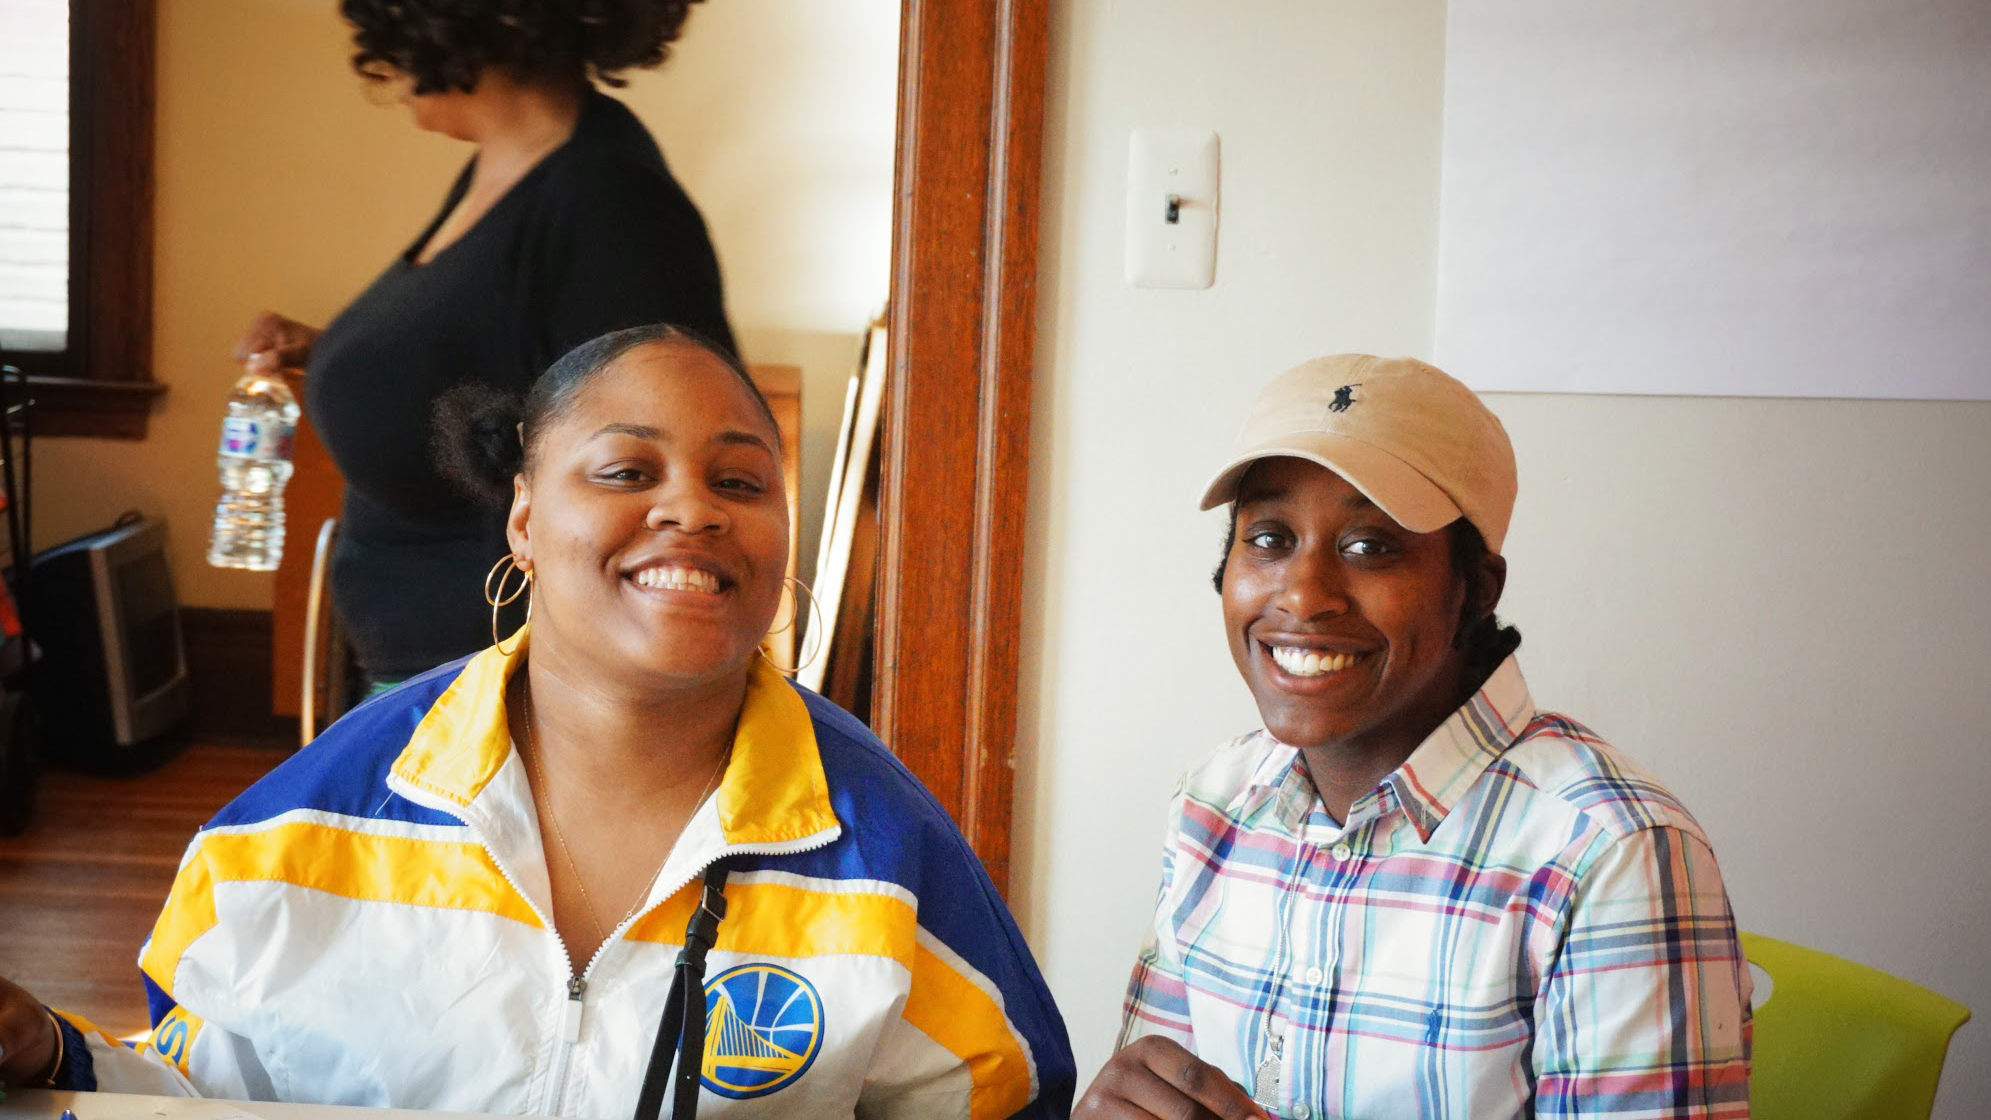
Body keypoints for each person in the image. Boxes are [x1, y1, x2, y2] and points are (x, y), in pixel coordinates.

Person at [0, 326, 1075, 1119]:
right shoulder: (295, 836)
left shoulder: (885, 859)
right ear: (523, 518)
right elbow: (192, 1092)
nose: (692, 508)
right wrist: (51, 1051)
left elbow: (1001, 1099)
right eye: (626, 469)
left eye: (740, 479)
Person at [1076, 355, 1751, 1119]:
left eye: (1369, 546)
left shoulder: (1608, 854)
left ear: (1476, 587)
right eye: (1267, 537)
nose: (1301, 594)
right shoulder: (1216, 802)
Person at [233, 0, 736, 692]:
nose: (381, 54)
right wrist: (338, 354)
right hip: (429, 671)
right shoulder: (515, 169)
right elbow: (499, 360)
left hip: (502, 689)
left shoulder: (608, 202)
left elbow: (655, 471)